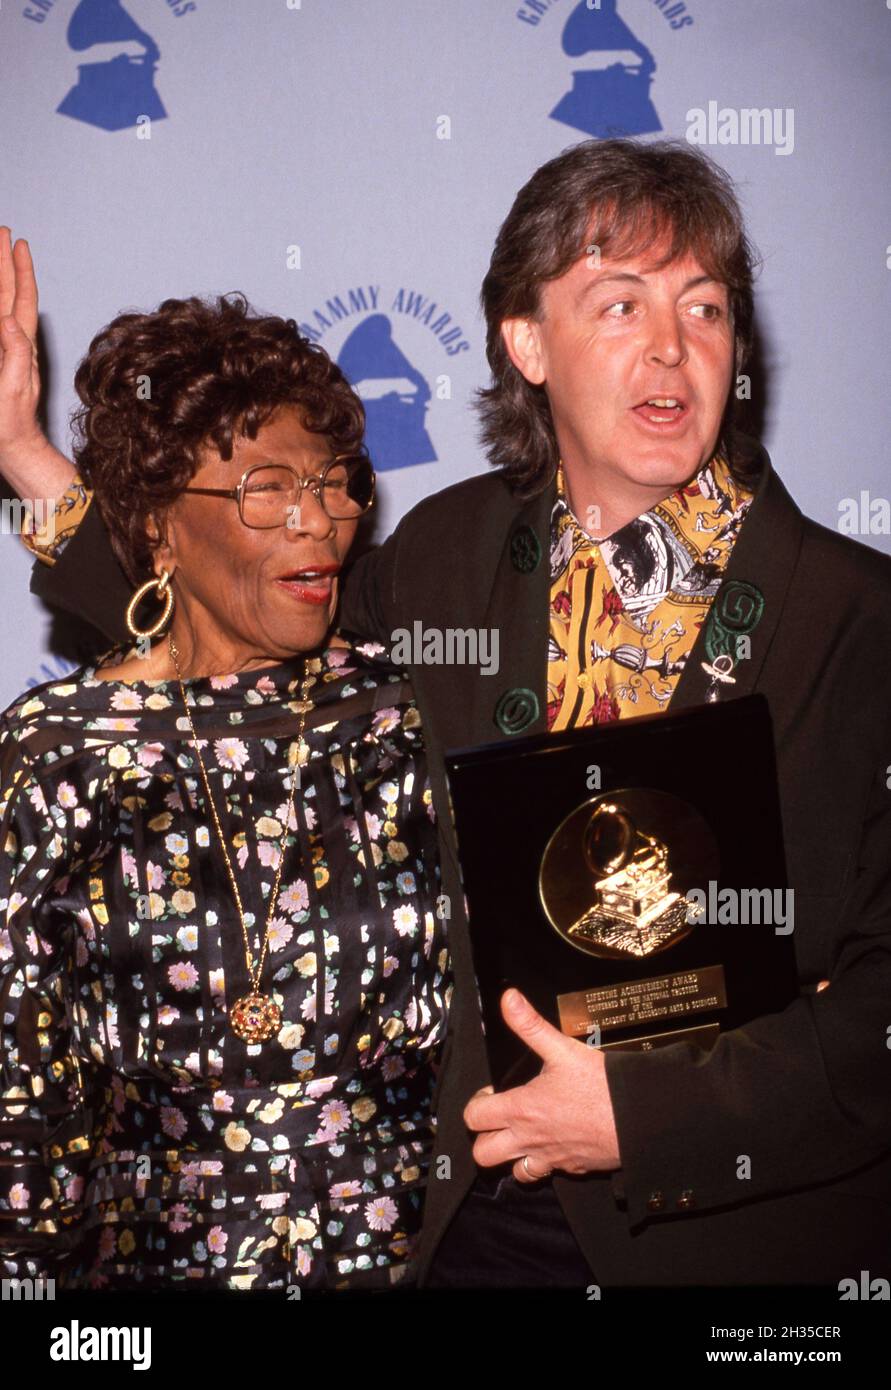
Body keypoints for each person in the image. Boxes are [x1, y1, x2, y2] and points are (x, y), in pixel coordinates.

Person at [3, 136, 891, 1291]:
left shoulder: (860, 619)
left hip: (739, 1240)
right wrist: (27, 457)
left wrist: (644, 1114)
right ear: (528, 342)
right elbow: (226, 630)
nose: (673, 346)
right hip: (468, 1219)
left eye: (705, 307)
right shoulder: (451, 551)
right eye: (618, 304)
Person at [0, 288, 451, 1291]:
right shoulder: (55, 754)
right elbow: (23, 1115)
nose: (320, 521)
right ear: (158, 527)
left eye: (336, 484)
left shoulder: (402, 712)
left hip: (427, 1261)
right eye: (268, 490)